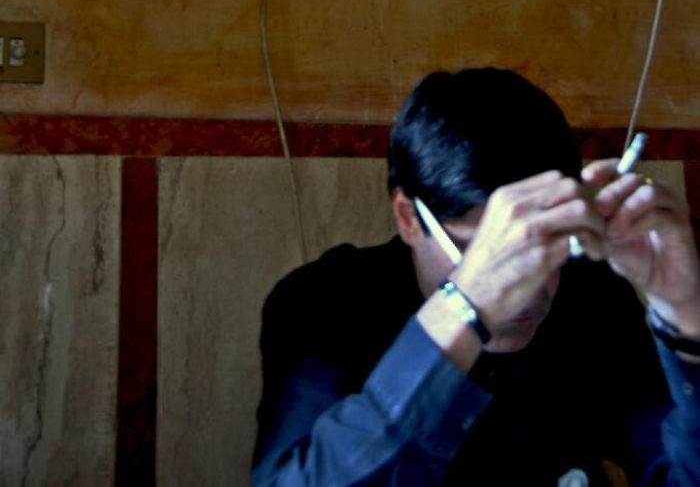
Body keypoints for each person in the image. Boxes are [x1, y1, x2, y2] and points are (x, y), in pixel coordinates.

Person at [253, 68, 700, 486]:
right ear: (409, 218)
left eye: (549, 242)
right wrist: (464, 309)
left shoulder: (594, 296)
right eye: (489, 254)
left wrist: (687, 315)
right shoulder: (324, 303)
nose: (527, 288)